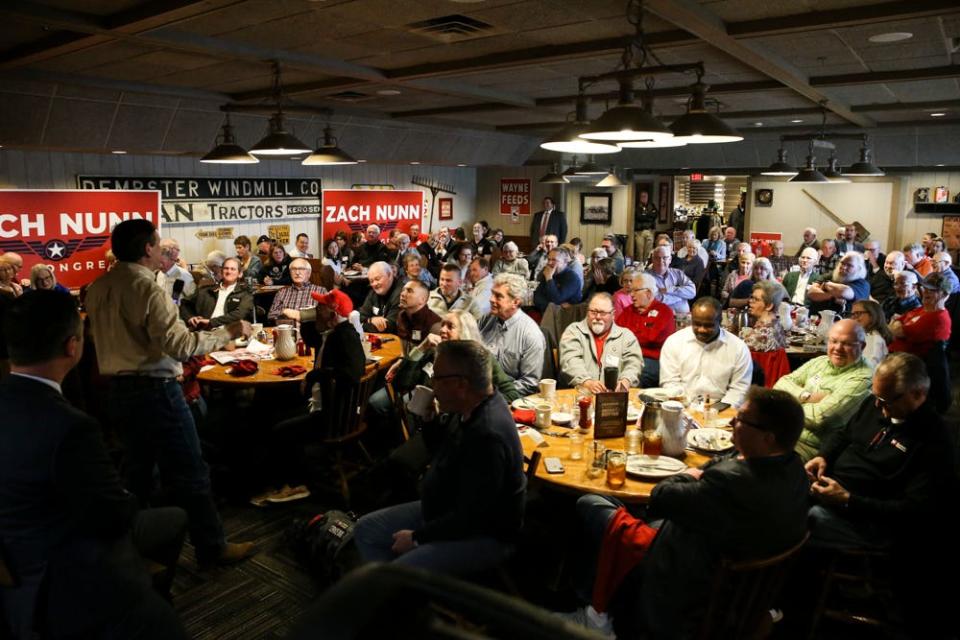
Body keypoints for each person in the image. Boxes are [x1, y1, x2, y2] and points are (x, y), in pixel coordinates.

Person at [0, 291, 189, 640]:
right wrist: (129, 493)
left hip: (14, 560)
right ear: (73, 346)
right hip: (60, 578)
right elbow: (113, 515)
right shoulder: (70, 426)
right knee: (171, 519)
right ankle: (143, 599)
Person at [565, 387, 808, 638]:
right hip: (739, 574)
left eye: (742, 419)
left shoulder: (731, 482)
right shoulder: (794, 468)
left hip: (689, 582)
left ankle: (598, 616)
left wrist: (689, 474)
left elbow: (661, 496)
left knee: (592, 503)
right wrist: (705, 472)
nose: (733, 422)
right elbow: (723, 462)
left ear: (768, 437)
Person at [85, 219, 256, 569]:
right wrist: (230, 332)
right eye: (158, 243)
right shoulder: (148, 289)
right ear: (148, 249)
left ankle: (132, 548)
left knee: (137, 475)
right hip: (156, 390)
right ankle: (212, 547)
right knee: (191, 470)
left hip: (117, 392)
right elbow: (178, 345)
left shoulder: (98, 287)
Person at [353, 340, 526, 575]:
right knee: (365, 529)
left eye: (437, 378)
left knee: (395, 572)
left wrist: (416, 538)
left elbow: (472, 516)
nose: (432, 384)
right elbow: (444, 454)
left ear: (461, 384)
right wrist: (431, 422)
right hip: (445, 509)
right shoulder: (467, 410)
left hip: (483, 535)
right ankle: (399, 594)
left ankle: (396, 592)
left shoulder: (488, 434)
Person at [805, 352, 955, 552]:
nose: (877, 405)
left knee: (800, 521)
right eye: (876, 396)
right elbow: (844, 434)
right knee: (779, 495)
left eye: (885, 400)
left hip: (871, 521)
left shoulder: (934, 439)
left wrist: (848, 500)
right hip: (833, 495)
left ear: (918, 394)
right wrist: (823, 456)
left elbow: (914, 509)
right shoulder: (875, 404)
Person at [254, 289, 366, 506]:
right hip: (329, 406)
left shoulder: (345, 336)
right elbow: (312, 338)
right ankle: (285, 477)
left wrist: (316, 374)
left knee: (280, 430)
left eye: (320, 308)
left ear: (333, 314)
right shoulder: (333, 333)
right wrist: (307, 318)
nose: (316, 310)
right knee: (271, 412)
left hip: (335, 416)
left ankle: (296, 484)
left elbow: (353, 372)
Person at [773, 319, 873, 461]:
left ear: (862, 346)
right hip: (782, 431)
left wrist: (783, 405)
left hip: (809, 448)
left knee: (755, 462)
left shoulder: (863, 378)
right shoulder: (820, 361)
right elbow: (780, 384)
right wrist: (807, 396)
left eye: (846, 343)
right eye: (833, 341)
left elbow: (818, 418)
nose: (838, 348)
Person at [384, 309, 520, 402]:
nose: (442, 330)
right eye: (443, 325)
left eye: (450, 326)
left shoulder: (481, 358)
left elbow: (512, 394)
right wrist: (421, 348)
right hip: (424, 417)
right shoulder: (433, 352)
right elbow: (400, 383)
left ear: (464, 332)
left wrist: (477, 402)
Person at [659, 297, 752, 407]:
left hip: (721, 411)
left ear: (720, 321)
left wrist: (715, 410)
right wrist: (688, 407)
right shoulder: (674, 342)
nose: (701, 329)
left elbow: (739, 390)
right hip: (682, 408)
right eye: (697, 324)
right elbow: (670, 383)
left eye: (708, 325)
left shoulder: (738, 348)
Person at [559, 292, 643, 392]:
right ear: (587, 312)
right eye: (593, 312)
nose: (598, 317)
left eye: (603, 313)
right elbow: (570, 360)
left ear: (613, 315)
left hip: (614, 397)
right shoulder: (573, 331)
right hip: (580, 394)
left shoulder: (626, 336)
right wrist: (587, 382)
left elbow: (634, 364)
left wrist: (626, 381)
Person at [478, 274, 544, 396]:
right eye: (492, 293)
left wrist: (492, 393)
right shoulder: (487, 319)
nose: (491, 299)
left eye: (498, 296)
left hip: (508, 399)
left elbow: (530, 383)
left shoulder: (531, 334)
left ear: (515, 302)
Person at [616, 272, 675, 388]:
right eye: (630, 291)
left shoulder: (664, 311)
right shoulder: (628, 311)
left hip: (652, 360)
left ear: (648, 293)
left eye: (635, 291)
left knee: (634, 374)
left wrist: (628, 336)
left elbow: (650, 338)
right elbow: (616, 334)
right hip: (626, 357)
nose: (631, 295)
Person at [889, 271, 952, 358]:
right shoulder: (924, 309)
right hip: (896, 355)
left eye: (932, 290)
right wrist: (896, 324)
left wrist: (897, 325)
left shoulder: (938, 317)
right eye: (925, 288)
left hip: (910, 363)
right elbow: (897, 321)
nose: (926, 292)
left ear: (945, 295)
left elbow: (898, 331)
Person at [182, 256, 254, 329]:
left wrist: (211, 322)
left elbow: (240, 314)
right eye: (226, 268)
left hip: (229, 332)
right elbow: (184, 303)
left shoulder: (245, 293)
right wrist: (190, 317)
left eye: (233, 269)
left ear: (240, 274)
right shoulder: (206, 290)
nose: (229, 272)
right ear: (221, 271)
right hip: (203, 332)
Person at [268, 258, 327, 325]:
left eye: (301, 269)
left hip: (310, 331)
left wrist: (300, 315)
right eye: (294, 269)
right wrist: (284, 311)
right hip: (287, 331)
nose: (297, 272)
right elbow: (270, 316)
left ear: (308, 273)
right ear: (290, 273)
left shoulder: (321, 291)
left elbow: (326, 315)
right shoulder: (282, 292)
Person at [646, 245, 697, 314]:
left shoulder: (678, 273)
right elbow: (656, 298)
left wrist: (669, 290)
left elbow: (692, 292)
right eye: (657, 258)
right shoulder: (646, 276)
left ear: (670, 260)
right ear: (652, 260)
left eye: (665, 258)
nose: (661, 261)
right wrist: (681, 297)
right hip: (660, 319)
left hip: (683, 317)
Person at [396, 279, 442, 352]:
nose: (403, 294)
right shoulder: (401, 315)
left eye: (409, 291)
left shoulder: (435, 324)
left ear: (422, 300)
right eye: (403, 290)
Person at [743, 280, 788, 352]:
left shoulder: (763, 333)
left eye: (756, 299)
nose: (750, 301)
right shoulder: (776, 325)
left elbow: (739, 350)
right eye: (752, 297)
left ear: (769, 306)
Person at [359, 261, 402, 333]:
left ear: (389, 275)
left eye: (377, 279)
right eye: (371, 281)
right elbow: (360, 316)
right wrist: (371, 320)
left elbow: (389, 326)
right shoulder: (373, 292)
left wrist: (363, 324)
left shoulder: (401, 293)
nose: (374, 284)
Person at [533, 247, 581, 312]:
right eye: (548, 259)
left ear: (565, 262)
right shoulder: (548, 272)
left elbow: (556, 299)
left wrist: (549, 278)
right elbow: (537, 296)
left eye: (554, 260)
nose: (549, 263)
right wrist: (552, 307)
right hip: (548, 313)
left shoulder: (572, 277)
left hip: (567, 316)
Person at [849, 299, 891, 368]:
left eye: (858, 313)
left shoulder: (875, 340)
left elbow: (867, 369)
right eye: (852, 314)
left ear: (872, 315)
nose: (853, 318)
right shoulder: (864, 336)